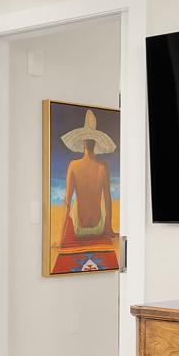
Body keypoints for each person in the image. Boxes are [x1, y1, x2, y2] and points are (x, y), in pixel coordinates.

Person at [58, 108, 117, 252]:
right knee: (102, 198)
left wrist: (60, 238)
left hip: (80, 229)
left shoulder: (73, 165)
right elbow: (108, 200)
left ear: (83, 142)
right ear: (95, 143)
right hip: (98, 228)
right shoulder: (103, 167)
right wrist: (108, 227)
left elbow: (67, 203)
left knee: (73, 200)